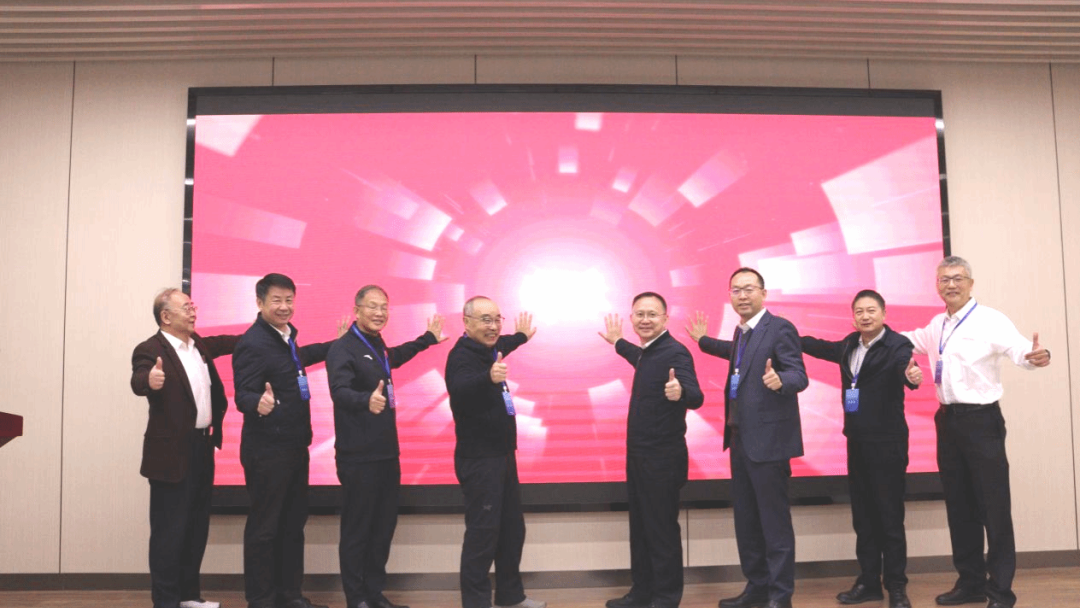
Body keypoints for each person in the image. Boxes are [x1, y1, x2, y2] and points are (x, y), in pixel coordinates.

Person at [902, 256, 1050, 608]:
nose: (951, 284)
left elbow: (1020, 350)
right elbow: (906, 340)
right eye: (944, 279)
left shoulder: (990, 319)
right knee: (959, 507)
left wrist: (1036, 356)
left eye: (958, 278)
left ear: (970, 283)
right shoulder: (937, 325)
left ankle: (1001, 591)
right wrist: (871, 330)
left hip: (982, 422)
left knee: (993, 508)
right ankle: (970, 583)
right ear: (937, 285)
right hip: (947, 422)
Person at [686, 267, 808, 608]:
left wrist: (781, 381)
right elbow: (738, 356)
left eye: (749, 288)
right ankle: (757, 588)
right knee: (747, 522)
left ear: (763, 293)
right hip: (740, 441)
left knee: (774, 524)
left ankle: (780, 596)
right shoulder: (742, 333)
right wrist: (703, 342)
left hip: (769, 444)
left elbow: (799, 374)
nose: (742, 295)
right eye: (736, 290)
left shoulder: (780, 327)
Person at [799, 290, 922, 608]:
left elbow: (906, 370)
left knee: (889, 518)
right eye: (859, 311)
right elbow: (819, 346)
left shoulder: (897, 345)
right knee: (864, 518)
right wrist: (790, 335)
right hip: (857, 442)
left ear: (883, 313)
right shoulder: (849, 344)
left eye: (871, 310)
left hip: (888, 444)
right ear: (853, 317)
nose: (865, 316)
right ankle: (869, 582)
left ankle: (896, 586)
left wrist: (912, 377)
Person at [327, 285, 447, 608]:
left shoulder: (376, 344)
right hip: (358, 457)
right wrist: (365, 400)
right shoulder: (343, 347)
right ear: (356, 310)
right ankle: (357, 599)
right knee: (358, 530)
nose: (379, 313)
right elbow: (339, 391)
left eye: (384, 307)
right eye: (372, 306)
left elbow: (395, 357)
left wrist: (426, 339)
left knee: (382, 528)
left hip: (386, 454)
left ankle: (374, 594)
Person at [232, 273, 339, 608]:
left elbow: (301, 358)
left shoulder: (285, 337)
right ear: (260, 302)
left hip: (294, 446)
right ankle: (262, 600)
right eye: (276, 300)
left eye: (289, 300)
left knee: (292, 525)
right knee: (265, 529)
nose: (284, 306)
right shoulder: (253, 342)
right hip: (267, 450)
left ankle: (290, 595)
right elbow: (242, 393)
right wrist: (257, 402)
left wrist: (336, 345)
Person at [130, 288, 239, 608]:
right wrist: (148, 380)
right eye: (186, 307)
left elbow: (229, 342)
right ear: (166, 316)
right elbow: (138, 378)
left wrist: (263, 331)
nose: (193, 311)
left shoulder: (199, 344)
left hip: (202, 447)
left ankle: (189, 597)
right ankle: (166, 601)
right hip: (170, 455)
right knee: (169, 532)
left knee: (195, 527)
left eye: (193, 306)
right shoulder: (150, 349)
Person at [599, 292, 704, 608]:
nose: (645, 320)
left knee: (661, 531)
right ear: (632, 317)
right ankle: (642, 593)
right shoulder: (648, 352)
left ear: (665, 319)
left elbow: (697, 396)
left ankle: (666, 597)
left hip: (662, 459)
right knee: (641, 529)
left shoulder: (675, 352)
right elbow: (638, 357)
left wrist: (680, 391)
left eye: (652, 314)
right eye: (640, 314)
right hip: (639, 457)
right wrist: (618, 342)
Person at [444, 296, 544, 608]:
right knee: (482, 534)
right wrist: (487, 378)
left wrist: (521, 336)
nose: (494, 326)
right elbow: (459, 388)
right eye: (485, 320)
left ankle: (510, 597)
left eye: (497, 319)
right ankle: (476, 603)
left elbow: (504, 343)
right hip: (479, 459)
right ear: (466, 322)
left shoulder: (489, 348)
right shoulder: (461, 356)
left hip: (502, 455)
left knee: (512, 530)